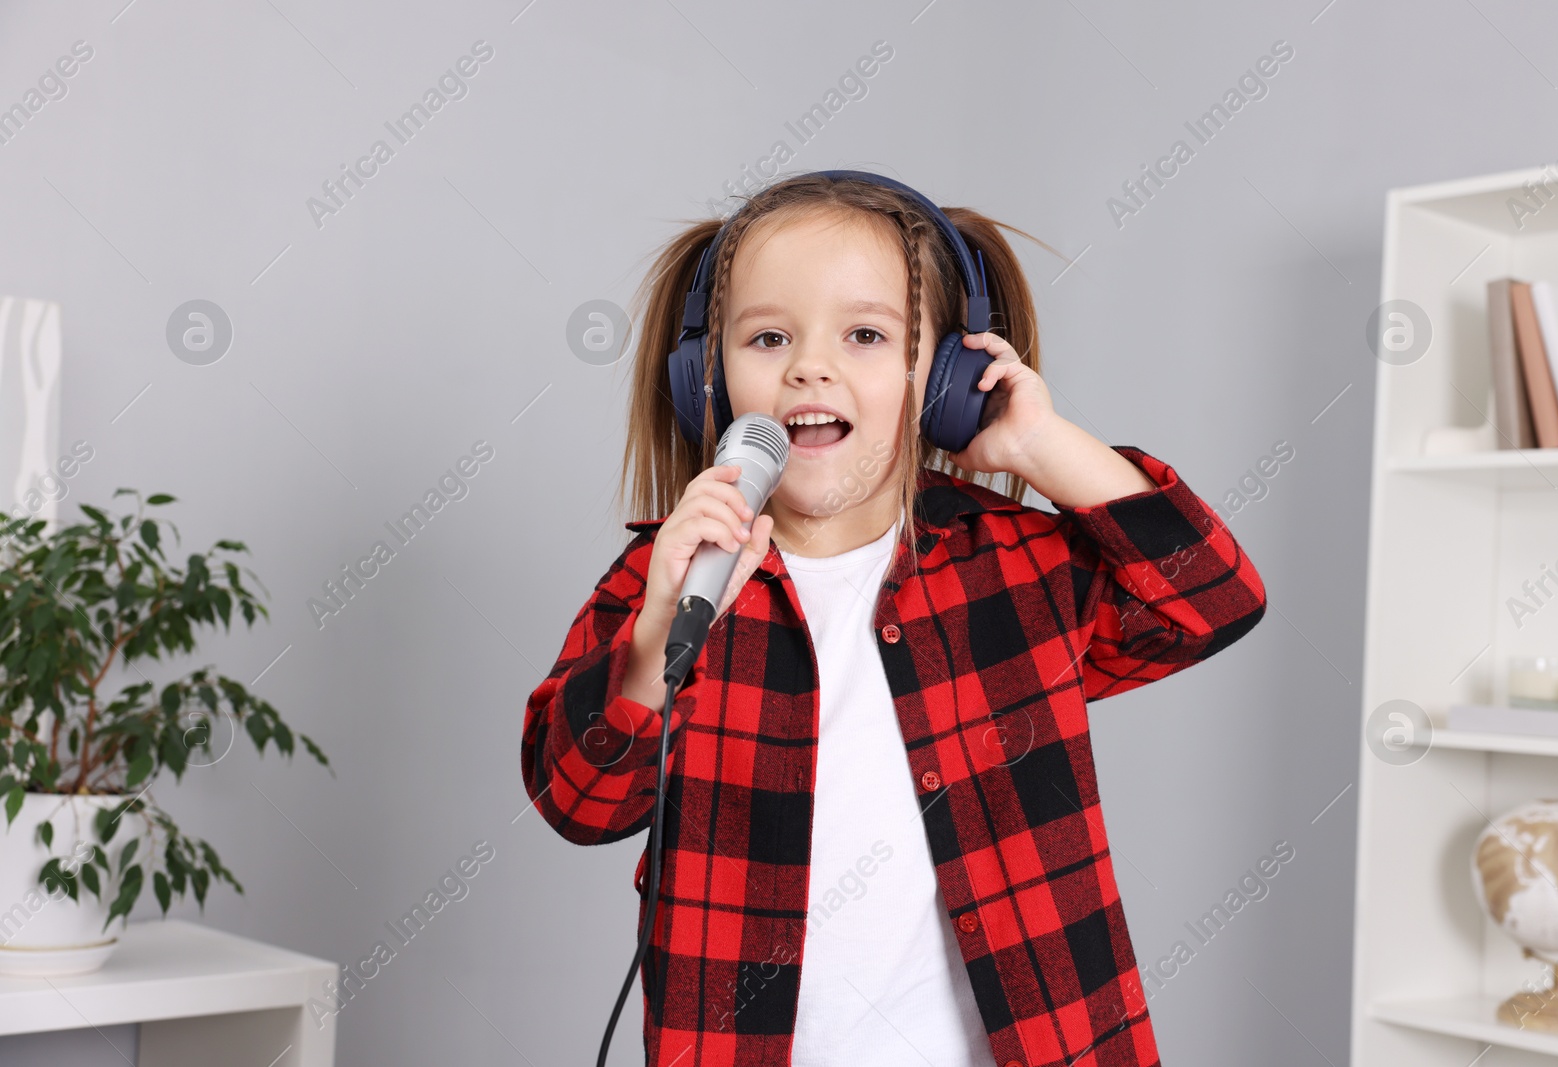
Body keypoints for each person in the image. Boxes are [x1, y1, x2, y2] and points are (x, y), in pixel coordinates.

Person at [522, 171, 1268, 1067]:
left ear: (944, 379)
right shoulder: (668, 580)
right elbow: (578, 800)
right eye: (767, 336)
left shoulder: (1013, 567)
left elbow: (1212, 595)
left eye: (866, 334)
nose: (810, 365)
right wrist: (653, 643)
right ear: (704, 378)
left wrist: (1040, 446)